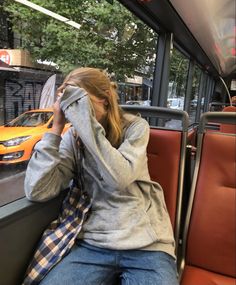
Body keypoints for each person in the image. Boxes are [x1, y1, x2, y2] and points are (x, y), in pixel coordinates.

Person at [24, 67, 178, 285]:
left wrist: (86, 125)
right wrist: (56, 128)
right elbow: (37, 191)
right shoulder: (73, 138)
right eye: (70, 104)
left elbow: (118, 178)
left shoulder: (135, 127)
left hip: (146, 242)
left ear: (104, 99)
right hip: (93, 242)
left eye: (81, 102)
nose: (75, 111)